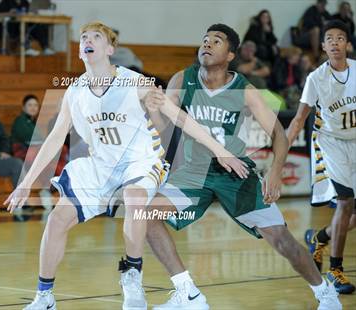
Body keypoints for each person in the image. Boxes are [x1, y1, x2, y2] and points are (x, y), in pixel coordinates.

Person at [4, 21, 249, 310]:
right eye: (84, 37)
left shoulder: (133, 81)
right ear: (80, 50)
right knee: (58, 219)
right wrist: (25, 183)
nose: (88, 39)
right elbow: (54, 139)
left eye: (96, 36)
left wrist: (221, 152)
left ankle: (132, 275)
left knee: (134, 198)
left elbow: (180, 118)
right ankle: (44, 297)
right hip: (102, 166)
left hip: (142, 161)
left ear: (109, 49)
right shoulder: (75, 92)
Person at [144, 24, 342, 310]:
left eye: (217, 41)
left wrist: (275, 173)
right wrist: (153, 109)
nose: (207, 44)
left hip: (235, 173)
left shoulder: (244, 90)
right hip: (194, 172)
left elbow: (279, 136)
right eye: (205, 40)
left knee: (281, 239)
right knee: (147, 216)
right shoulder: (182, 79)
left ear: (231, 55)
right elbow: (164, 131)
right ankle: (188, 293)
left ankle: (325, 293)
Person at [288, 20, 356, 295]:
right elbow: (298, 119)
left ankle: (320, 238)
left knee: (352, 211)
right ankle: (335, 269)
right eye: (330, 39)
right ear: (324, 46)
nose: (336, 43)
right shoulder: (316, 78)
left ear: (347, 44)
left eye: (341, 38)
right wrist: (280, 156)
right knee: (346, 202)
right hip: (330, 142)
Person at [11, 94, 53, 210]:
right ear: (23, 107)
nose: (33, 107)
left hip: (34, 151)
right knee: (44, 157)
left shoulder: (34, 123)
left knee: (59, 153)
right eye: (30, 105)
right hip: (22, 152)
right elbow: (28, 140)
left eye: (35, 105)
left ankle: (48, 188)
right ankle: (47, 187)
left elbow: (39, 140)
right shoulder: (20, 121)